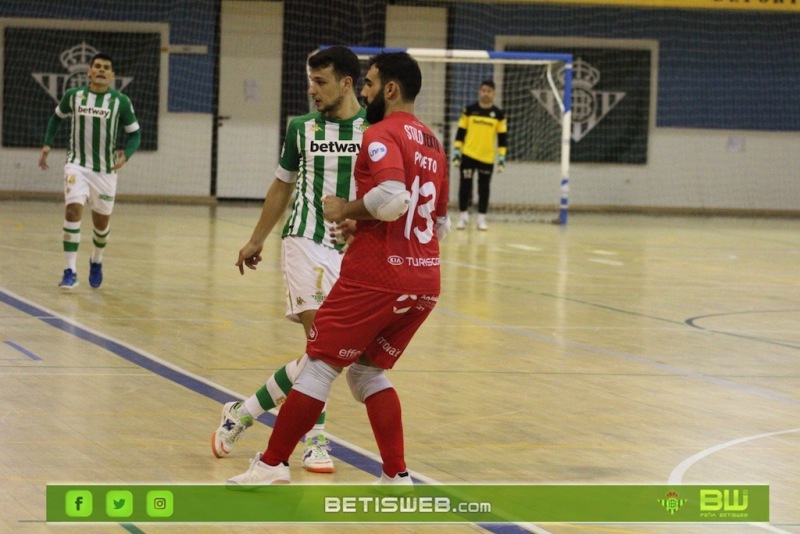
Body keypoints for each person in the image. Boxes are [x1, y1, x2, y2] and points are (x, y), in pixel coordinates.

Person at [226, 51, 450, 486]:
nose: (364, 92)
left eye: (368, 84)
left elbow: (391, 197)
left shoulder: (382, 132)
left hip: (378, 275)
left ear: (390, 89)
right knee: (367, 370)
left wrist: (344, 209)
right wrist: (366, 224)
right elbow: (437, 220)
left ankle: (272, 463)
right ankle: (396, 475)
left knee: (319, 364)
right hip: (425, 277)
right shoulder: (432, 142)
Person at [211, 46, 367, 474]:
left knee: (338, 354)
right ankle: (315, 439)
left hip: (352, 253)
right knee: (321, 348)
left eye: (321, 81)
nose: (311, 89)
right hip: (304, 239)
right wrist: (256, 238)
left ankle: (243, 411)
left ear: (347, 83)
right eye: (310, 80)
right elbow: (282, 186)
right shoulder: (301, 128)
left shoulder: (375, 129)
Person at [39, 53, 141, 289]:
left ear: (112, 75)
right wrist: (47, 143)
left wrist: (127, 154)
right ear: (89, 72)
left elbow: (135, 134)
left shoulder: (120, 102)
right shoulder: (73, 96)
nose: (101, 70)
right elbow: (56, 119)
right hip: (77, 165)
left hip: (105, 171)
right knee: (73, 210)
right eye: (97, 67)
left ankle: (96, 260)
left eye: (106, 68)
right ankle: (69, 271)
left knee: (101, 224)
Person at [452, 79, 507, 231]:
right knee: (465, 186)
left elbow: (502, 139)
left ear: (494, 93)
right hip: (468, 155)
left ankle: (481, 218)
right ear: (479, 92)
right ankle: (463, 216)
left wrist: (501, 158)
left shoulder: (498, 114)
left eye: (489, 91)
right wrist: (457, 152)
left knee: (484, 188)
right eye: (483, 90)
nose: (486, 93)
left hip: (487, 157)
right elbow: (460, 133)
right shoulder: (468, 110)